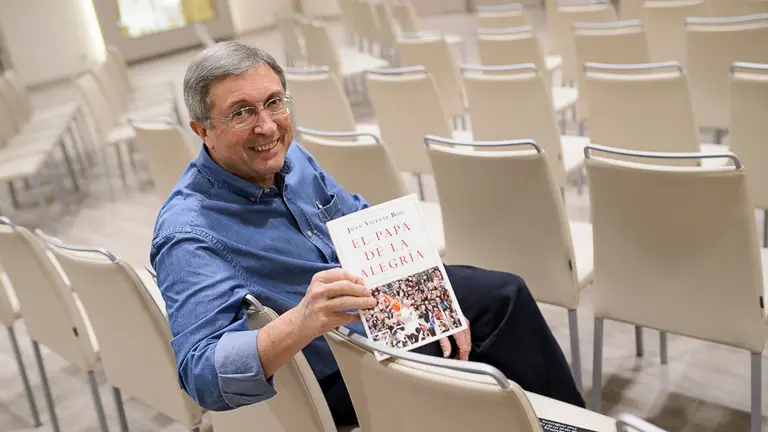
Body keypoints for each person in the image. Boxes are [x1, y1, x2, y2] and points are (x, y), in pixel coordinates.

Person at [150, 41, 585, 426]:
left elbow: (359, 219)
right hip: (333, 363)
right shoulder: (189, 233)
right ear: (202, 129)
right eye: (242, 112)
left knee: (503, 295)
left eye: (274, 103)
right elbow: (201, 374)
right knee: (460, 364)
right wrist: (300, 322)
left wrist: (431, 301)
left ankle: (564, 423)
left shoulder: (292, 157)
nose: (266, 126)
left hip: (382, 308)